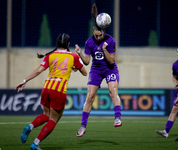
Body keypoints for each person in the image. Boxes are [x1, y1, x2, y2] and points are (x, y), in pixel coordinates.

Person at [15, 33, 87, 150]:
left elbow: (38, 71)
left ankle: (30, 126)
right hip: (58, 90)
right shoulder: (73, 56)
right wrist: (76, 65)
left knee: (46, 115)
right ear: (68, 44)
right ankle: (36, 143)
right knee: (53, 119)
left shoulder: (50, 55)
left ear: (57, 43)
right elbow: (85, 72)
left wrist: (24, 80)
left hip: (47, 87)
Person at [75, 3, 122, 137]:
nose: (98, 38)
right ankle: (83, 126)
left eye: (100, 35)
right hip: (96, 70)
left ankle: (117, 118)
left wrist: (105, 49)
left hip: (110, 69)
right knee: (89, 97)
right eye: (96, 36)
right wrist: (79, 54)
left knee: (113, 91)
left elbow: (112, 61)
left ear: (103, 32)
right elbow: (87, 62)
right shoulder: (89, 42)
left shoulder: (111, 40)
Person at [155, 46, 178, 138]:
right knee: (174, 110)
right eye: (177, 52)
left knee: (174, 109)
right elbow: (174, 76)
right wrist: (176, 82)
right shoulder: (175, 65)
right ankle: (166, 131)